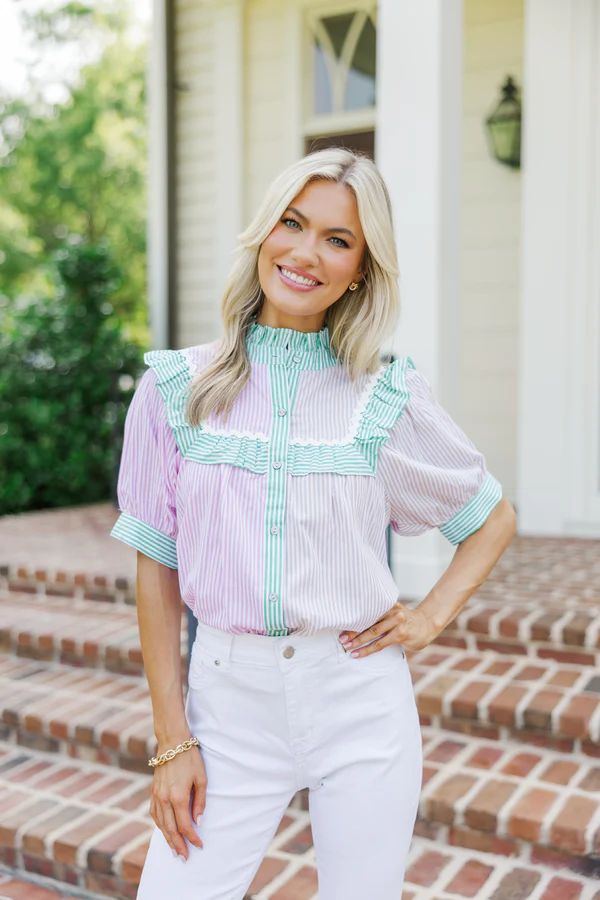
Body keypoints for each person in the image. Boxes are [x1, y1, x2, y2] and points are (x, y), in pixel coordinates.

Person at [110, 147, 517, 899]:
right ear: (264, 233)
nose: (306, 253)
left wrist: (429, 617)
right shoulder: (177, 388)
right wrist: (173, 743)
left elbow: (490, 518)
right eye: (292, 225)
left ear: (361, 267)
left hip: (359, 700)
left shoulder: (385, 395)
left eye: (338, 239)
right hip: (227, 703)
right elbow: (154, 566)